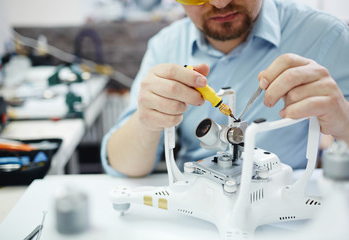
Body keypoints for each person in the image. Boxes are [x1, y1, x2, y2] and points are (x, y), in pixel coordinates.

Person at [101, 0, 349, 177]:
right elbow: (123, 166)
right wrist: (146, 121)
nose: (220, 3)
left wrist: (344, 121)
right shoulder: (165, 46)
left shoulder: (325, 35)